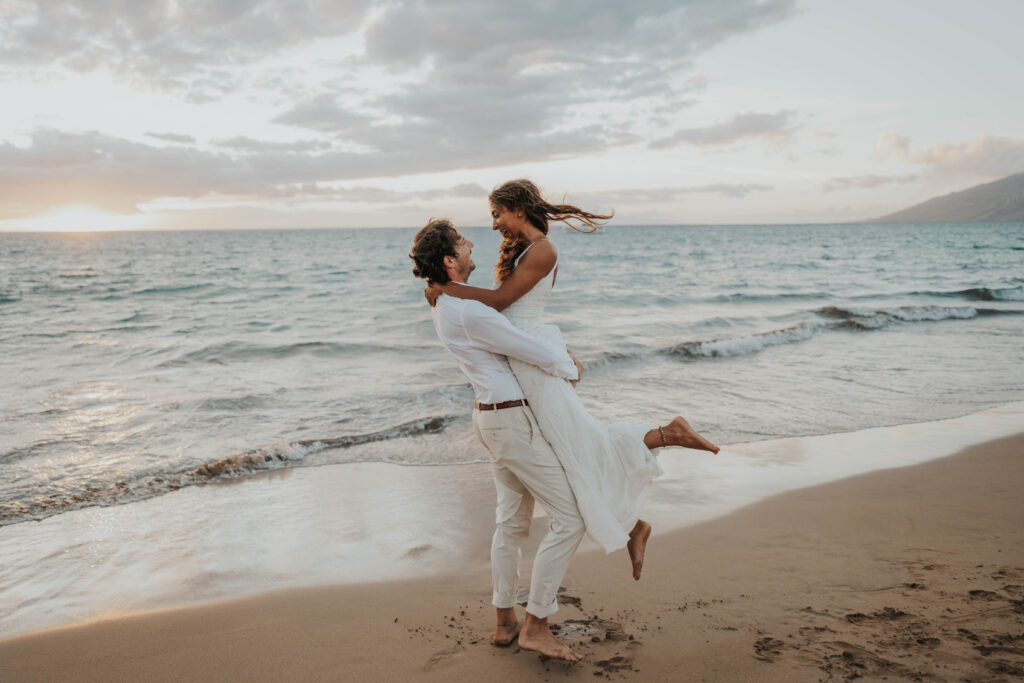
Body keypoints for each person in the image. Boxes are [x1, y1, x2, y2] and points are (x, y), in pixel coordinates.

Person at [410, 217, 717, 662]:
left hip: (492, 419)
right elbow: (524, 347)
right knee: (571, 519)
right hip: (512, 423)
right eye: (462, 241)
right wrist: (570, 366)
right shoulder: (467, 310)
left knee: (511, 523)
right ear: (449, 260)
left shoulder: (447, 304)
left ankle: (504, 623)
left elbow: (510, 341)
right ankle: (537, 623)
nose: (472, 242)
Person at [427, 179, 718, 561]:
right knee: (574, 444)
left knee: (579, 443)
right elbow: (506, 312)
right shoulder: (521, 250)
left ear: (518, 208)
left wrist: (446, 288)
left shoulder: (544, 250)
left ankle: (667, 436)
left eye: (497, 214)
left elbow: (499, 302)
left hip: (534, 359)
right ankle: (633, 522)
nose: (494, 224)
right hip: (530, 353)